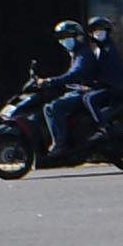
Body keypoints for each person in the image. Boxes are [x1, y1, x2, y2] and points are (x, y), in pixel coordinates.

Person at [41, 18, 100, 157]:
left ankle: (60, 144)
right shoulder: (75, 54)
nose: (64, 40)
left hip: (86, 92)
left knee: (56, 107)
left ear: (77, 36)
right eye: (61, 37)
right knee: (48, 108)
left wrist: (51, 81)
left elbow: (75, 74)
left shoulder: (83, 54)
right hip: (77, 91)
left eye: (67, 36)